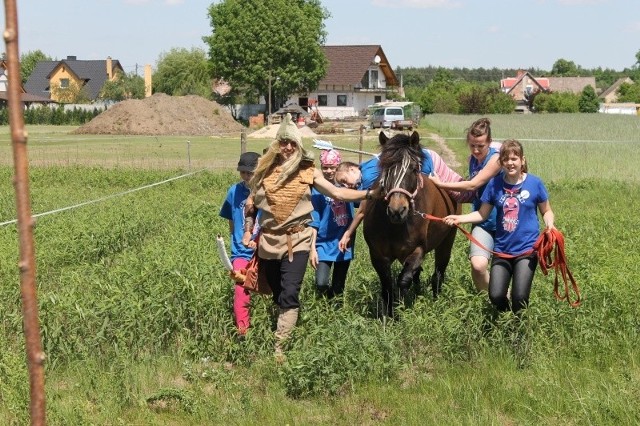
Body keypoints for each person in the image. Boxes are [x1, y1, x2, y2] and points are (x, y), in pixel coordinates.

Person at [241, 114, 374, 358]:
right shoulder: (263, 171)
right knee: (277, 291)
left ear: (299, 145)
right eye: (284, 142)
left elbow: (338, 193)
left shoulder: (308, 171)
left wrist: (371, 195)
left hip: (298, 241)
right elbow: (250, 206)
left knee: (290, 292)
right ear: (277, 143)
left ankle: (279, 349)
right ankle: (280, 324)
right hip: (268, 243)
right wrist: (248, 231)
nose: (288, 147)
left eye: (293, 143)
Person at [443, 139, 555, 313]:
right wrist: (459, 218)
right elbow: (482, 214)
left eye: (514, 158)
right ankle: (505, 319)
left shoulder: (535, 183)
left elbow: (546, 211)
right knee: (495, 295)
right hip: (502, 250)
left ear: (522, 160)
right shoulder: (495, 185)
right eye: (506, 159)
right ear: (501, 162)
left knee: (520, 298)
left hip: (526, 250)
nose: (510, 163)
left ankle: (517, 333)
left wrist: (550, 225)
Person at [334, 138, 471, 253]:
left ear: (352, 169)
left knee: (461, 193)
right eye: (342, 184)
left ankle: (476, 196)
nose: (347, 185)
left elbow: (362, 203)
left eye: (345, 180)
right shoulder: (365, 169)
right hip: (414, 157)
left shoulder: (368, 177)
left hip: (430, 161)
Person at [429, 118, 502, 292]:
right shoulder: (473, 160)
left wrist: (441, 184)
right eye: (472, 145)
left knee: (502, 269)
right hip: (482, 219)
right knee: (478, 266)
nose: (476, 150)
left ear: (489, 142)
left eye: (481, 146)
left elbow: (472, 185)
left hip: (503, 221)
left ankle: (502, 300)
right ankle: (490, 299)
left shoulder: (496, 159)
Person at [219, 151, 261, 336]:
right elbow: (230, 217)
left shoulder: (267, 191)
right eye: (243, 172)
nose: (246, 176)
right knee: (240, 289)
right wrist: (235, 239)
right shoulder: (234, 191)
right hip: (241, 250)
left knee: (271, 285)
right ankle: (243, 330)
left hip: (264, 249)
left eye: (250, 173)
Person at [310, 149, 355, 298]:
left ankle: (334, 311)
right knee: (321, 283)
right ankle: (325, 301)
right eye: (325, 167)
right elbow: (313, 222)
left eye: (332, 167)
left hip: (343, 243)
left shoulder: (347, 187)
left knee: (338, 286)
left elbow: (362, 202)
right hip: (323, 244)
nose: (329, 171)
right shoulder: (317, 191)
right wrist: (312, 249)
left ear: (338, 167)